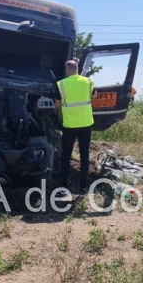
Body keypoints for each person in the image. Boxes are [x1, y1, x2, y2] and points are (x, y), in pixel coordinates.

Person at [55, 60, 96, 193]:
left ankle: (63, 187)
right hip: (85, 124)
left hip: (69, 125)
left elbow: (57, 104)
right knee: (85, 156)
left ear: (67, 70)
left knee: (66, 155)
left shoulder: (61, 84)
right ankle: (83, 188)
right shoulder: (88, 82)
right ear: (77, 69)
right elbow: (94, 95)